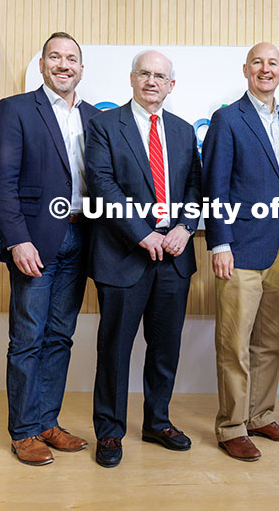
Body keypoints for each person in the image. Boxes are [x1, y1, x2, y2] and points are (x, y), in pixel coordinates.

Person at [83, 50, 201, 468]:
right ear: (132, 79)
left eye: (161, 76)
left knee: (165, 347)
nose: (152, 81)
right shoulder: (103, 126)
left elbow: (194, 188)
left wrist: (185, 228)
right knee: (115, 348)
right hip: (122, 256)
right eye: (145, 74)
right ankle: (110, 432)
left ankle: (157, 421)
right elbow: (101, 183)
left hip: (174, 258)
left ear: (171, 85)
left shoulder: (185, 131)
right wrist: (143, 233)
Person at [0, 32, 98, 466]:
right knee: (28, 338)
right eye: (56, 57)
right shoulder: (16, 110)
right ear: (42, 64)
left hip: (81, 238)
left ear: (81, 69)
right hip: (35, 242)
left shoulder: (94, 117)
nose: (64, 65)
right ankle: (23, 432)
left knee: (60, 336)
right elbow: (2, 183)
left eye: (72, 59)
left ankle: (48, 421)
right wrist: (17, 239)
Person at [201, 42, 279, 462]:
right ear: (246, 69)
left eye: (273, 63)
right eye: (258, 62)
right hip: (239, 247)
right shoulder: (227, 119)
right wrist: (220, 243)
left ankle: (261, 415)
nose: (266, 69)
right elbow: (215, 185)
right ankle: (231, 426)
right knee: (234, 343)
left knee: (272, 341)